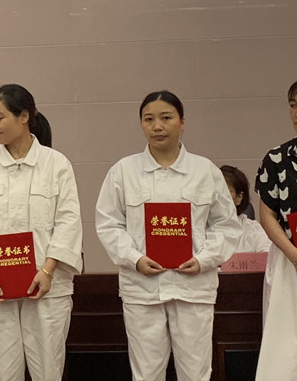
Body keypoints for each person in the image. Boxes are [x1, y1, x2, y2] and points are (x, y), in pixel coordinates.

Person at [95, 90, 240, 381]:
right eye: (148, 119)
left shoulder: (204, 171)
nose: (157, 126)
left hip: (193, 287)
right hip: (142, 289)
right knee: (146, 373)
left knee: (195, 373)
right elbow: (108, 224)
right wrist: (134, 259)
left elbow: (226, 225)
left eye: (166, 118)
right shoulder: (123, 171)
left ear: (182, 122)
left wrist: (204, 259)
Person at [0, 85, 82, 381]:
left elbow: (68, 222)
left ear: (24, 116)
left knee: (48, 372)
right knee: (5, 373)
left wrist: (47, 271)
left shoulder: (56, 164)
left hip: (47, 287)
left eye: (0, 117)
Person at [254, 80, 297, 381]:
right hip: (289, 260)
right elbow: (267, 214)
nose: (296, 113)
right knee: (285, 347)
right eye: (293, 105)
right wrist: (292, 253)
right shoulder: (277, 159)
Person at [220, 165, 270, 253]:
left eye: (224, 192)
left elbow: (267, 255)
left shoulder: (253, 230)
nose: (217, 197)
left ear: (239, 197)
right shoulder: (199, 227)